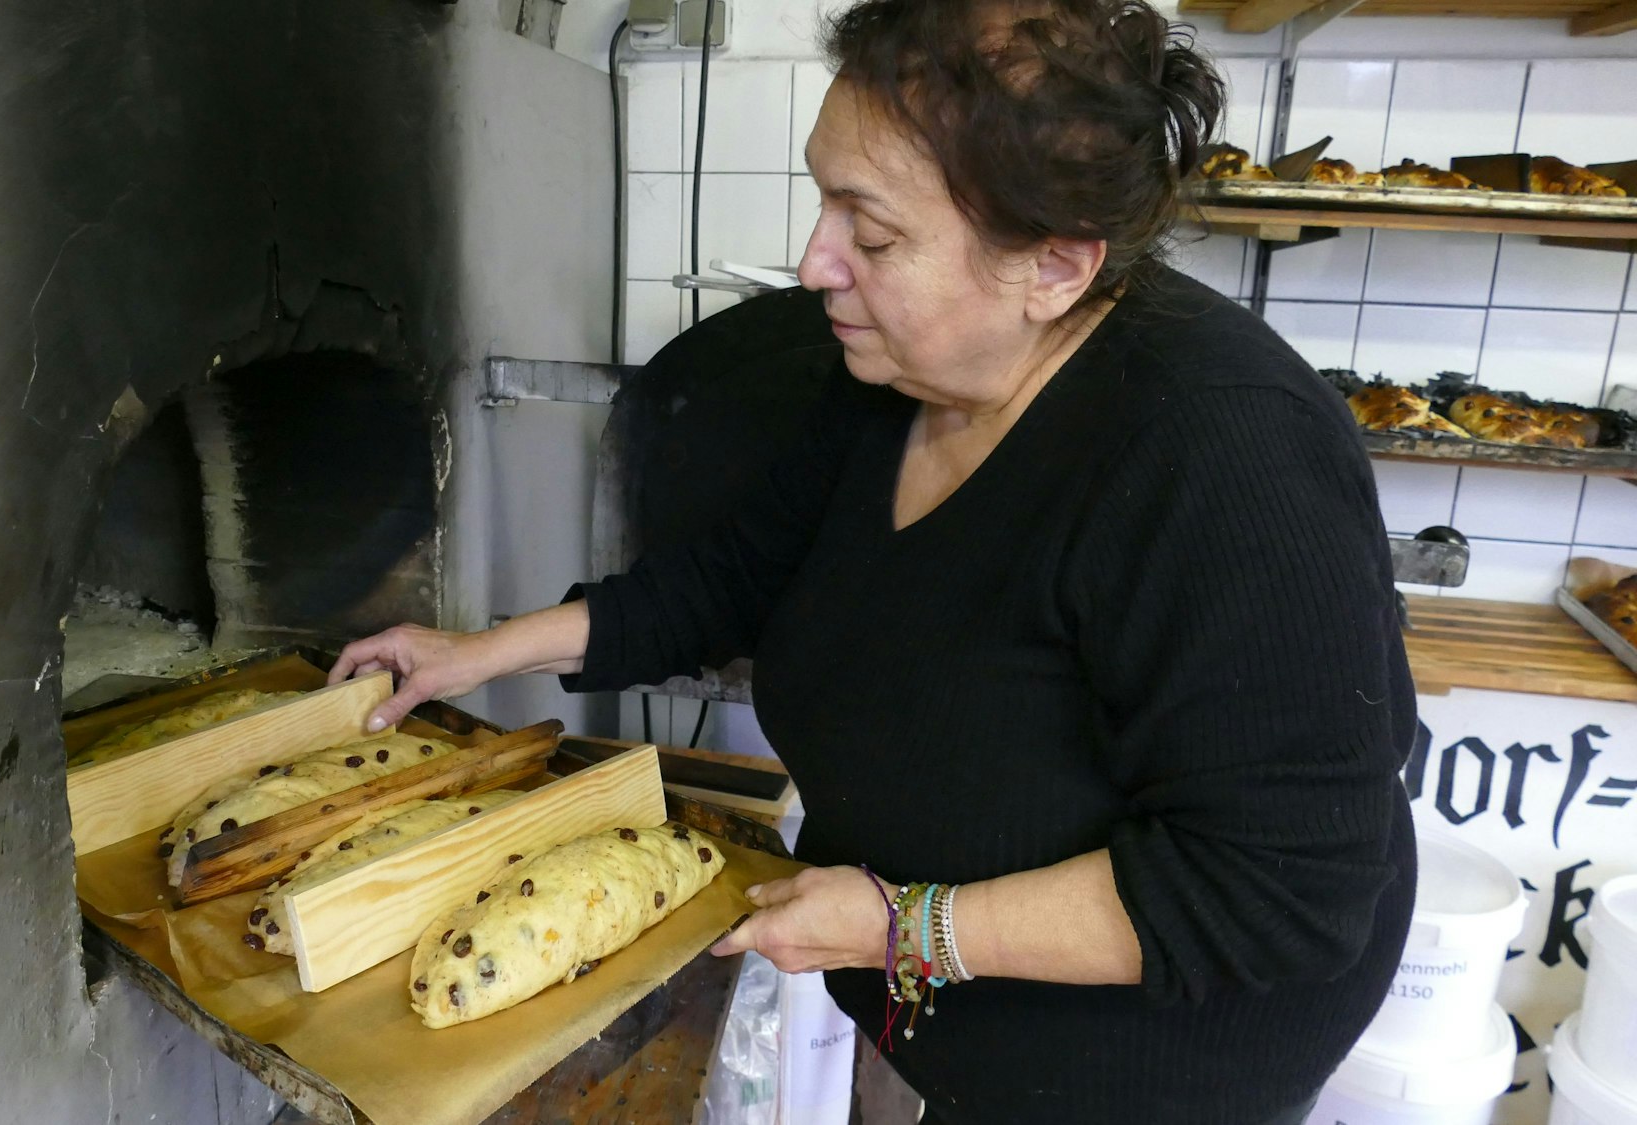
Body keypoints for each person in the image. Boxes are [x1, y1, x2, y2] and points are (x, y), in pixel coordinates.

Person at [329, 0, 1417, 1119]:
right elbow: (742, 573)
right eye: (822, 200)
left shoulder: (1224, 459)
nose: (814, 264)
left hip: (1136, 1070)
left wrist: (904, 926)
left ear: (1052, 265)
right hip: (939, 1007)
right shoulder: (892, 369)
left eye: (873, 232)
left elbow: (1278, 892)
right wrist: (475, 655)